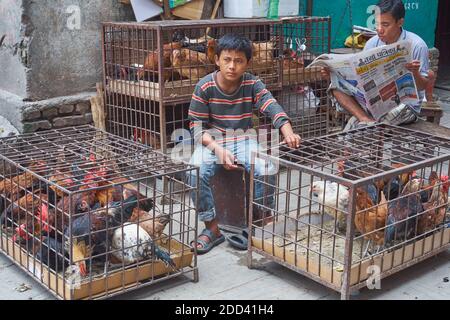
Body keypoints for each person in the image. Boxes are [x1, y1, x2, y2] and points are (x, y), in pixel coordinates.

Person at [187, 34, 301, 254]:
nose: (232, 66)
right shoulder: (204, 86)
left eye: (239, 61)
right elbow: (197, 128)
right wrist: (218, 150)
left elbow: (270, 104)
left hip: (244, 138)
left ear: (247, 63)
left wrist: (288, 131)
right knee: (195, 171)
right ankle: (212, 226)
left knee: (265, 166)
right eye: (227, 59)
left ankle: (265, 221)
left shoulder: (251, 83)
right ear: (217, 59)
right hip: (212, 141)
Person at [322, 0, 431, 129]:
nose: (379, 29)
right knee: (335, 86)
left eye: (385, 24)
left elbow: (422, 86)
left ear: (400, 22)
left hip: (405, 105)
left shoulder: (417, 45)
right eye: (377, 24)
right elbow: (359, 79)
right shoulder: (372, 43)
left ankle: (363, 124)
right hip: (374, 103)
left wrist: (415, 72)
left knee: (361, 129)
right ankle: (365, 119)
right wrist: (333, 74)